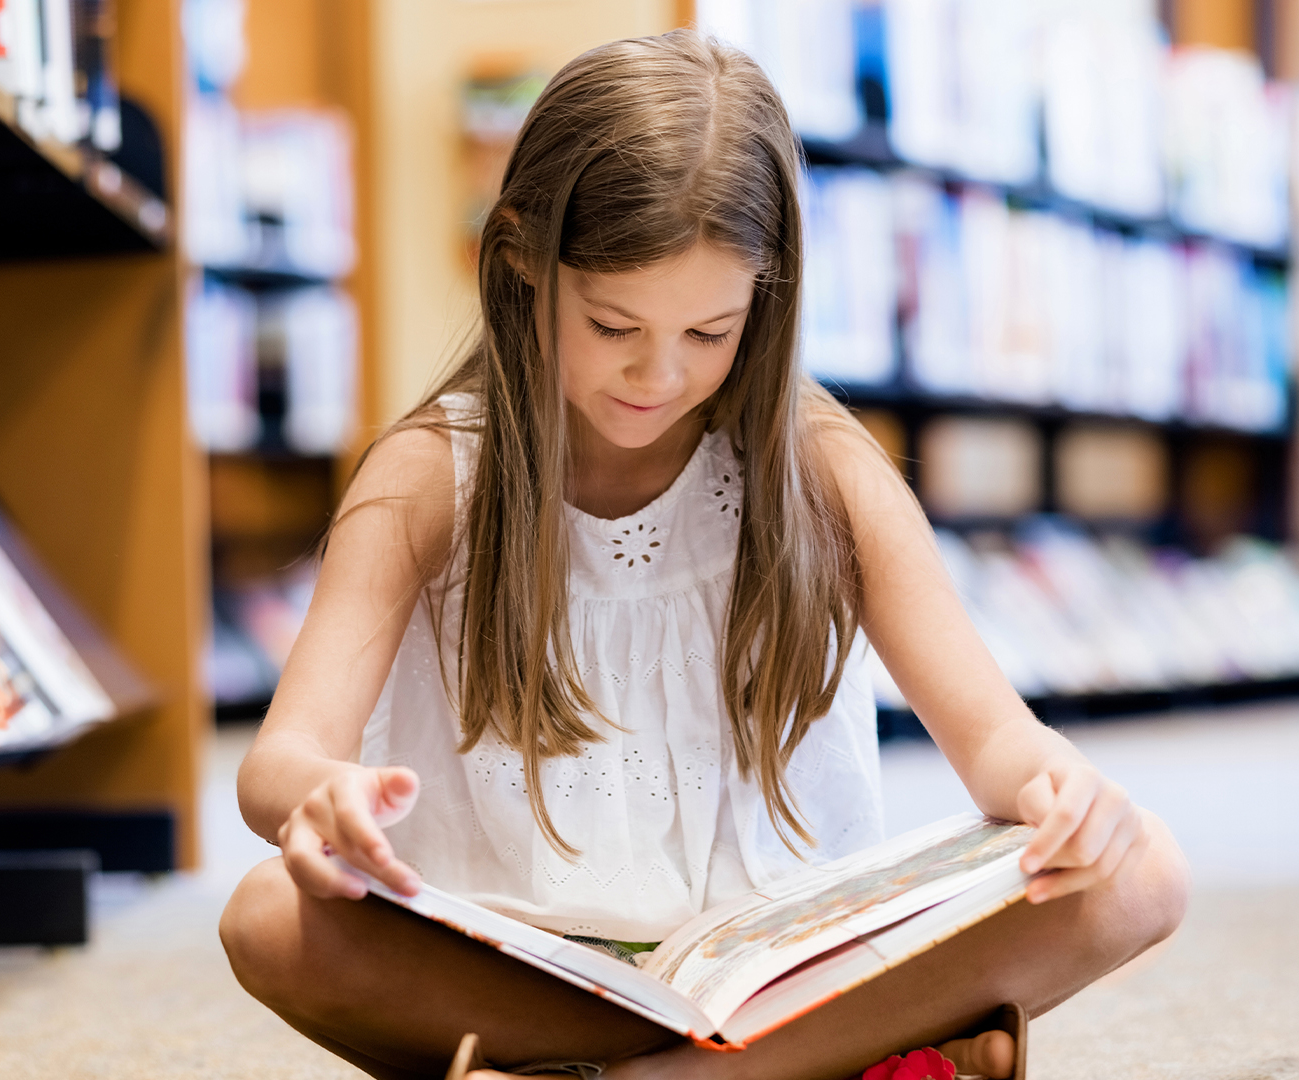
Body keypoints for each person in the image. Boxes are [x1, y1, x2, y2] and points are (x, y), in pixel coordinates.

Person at [219, 28, 1188, 1080]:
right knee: (271, 916)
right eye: (611, 323)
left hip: (789, 955)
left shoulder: (824, 470)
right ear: (518, 266)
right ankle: (826, 1064)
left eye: (710, 334)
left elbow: (997, 742)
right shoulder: (431, 473)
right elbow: (279, 760)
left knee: (1142, 871)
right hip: (525, 955)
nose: (658, 374)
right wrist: (321, 800)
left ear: (764, 306)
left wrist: (1056, 786)